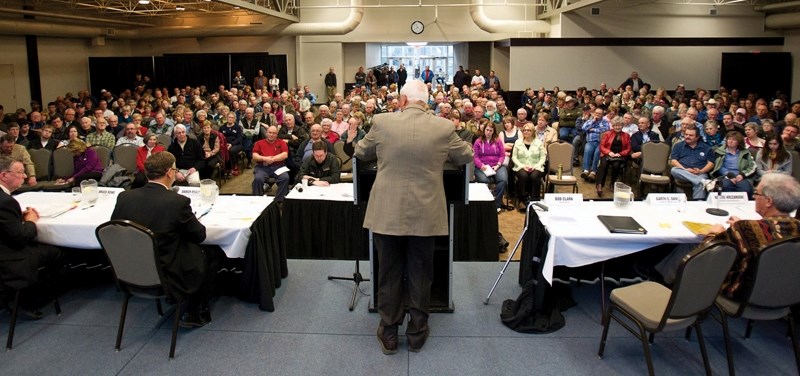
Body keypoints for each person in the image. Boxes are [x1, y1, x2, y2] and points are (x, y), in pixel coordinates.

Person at [354, 79, 472, 355]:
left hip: (386, 212)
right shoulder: (444, 127)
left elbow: (361, 152)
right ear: (427, 102)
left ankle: (390, 332)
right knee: (421, 273)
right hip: (426, 214)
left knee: (389, 273)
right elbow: (465, 156)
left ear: (403, 101)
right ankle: (417, 332)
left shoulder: (382, 122)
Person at [111, 152, 221, 328]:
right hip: (167, 271)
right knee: (210, 253)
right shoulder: (177, 202)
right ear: (170, 173)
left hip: (130, 269)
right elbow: (199, 235)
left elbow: (116, 229)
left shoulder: (125, 197)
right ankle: (195, 310)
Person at [653, 173, 800, 290]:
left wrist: (714, 233)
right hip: (784, 292)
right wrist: (739, 226)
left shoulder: (746, 228)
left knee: (692, 246)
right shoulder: (795, 226)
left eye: (757, 193)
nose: (754, 197)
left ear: (768, 201)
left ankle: (661, 281)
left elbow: (708, 251)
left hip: (741, 290)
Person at [0, 156, 64, 319]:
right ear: (4, 175)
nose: (25, 176)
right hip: (10, 258)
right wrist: (30, 221)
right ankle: (26, 299)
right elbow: (20, 237)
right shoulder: (6, 202)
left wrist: (17, 218)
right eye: (20, 172)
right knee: (56, 250)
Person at [669, 127, 715, 200]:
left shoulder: (706, 148)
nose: (687, 136)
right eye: (686, 134)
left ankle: (699, 201)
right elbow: (673, 161)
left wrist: (701, 171)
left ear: (697, 137)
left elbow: (711, 163)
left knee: (700, 182)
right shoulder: (678, 146)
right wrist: (686, 170)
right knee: (674, 170)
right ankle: (703, 182)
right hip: (683, 172)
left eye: (690, 135)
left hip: (700, 172)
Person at [473, 122, 508, 212]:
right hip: (482, 166)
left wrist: (498, 165)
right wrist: (481, 166)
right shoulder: (478, 141)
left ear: (493, 131)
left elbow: (502, 155)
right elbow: (475, 156)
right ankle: (486, 203)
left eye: (490, 130)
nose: (488, 132)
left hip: (497, 165)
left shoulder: (498, 141)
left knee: (503, 180)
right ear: (484, 130)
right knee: (484, 181)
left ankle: (496, 203)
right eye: (487, 130)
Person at [511, 123, 546, 210]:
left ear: (533, 132)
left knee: (535, 176)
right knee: (523, 176)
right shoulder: (518, 142)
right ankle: (522, 200)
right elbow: (514, 157)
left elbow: (543, 157)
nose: (526, 132)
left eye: (529, 130)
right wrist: (522, 166)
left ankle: (534, 201)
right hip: (521, 166)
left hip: (536, 166)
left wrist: (535, 166)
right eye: (524, 130)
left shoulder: (539, 143)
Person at [595, 117, 631, 196]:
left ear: (622, 126)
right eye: (615, 125)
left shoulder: (626, 135)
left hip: (619, 155)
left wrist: (621, 154)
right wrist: (609, 152)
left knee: (616, 165)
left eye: (619, 125)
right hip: (607, 154)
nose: (617, 127)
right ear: (613, 126)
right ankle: (599, 185)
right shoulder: (607, 134)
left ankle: (612, 183)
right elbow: (601, 146)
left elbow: (628, 149)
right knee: (603, 165)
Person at [251, 125, 289, 200]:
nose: (271, 135)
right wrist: (265, 159)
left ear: (277, 134)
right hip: (262, 167)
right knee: (258, 179)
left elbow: (285, 155)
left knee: (285, 178)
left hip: (279, 166)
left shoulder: (282, 143)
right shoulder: (259, 143)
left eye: (274, 133)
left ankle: (279, 201)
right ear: (266, 133)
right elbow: (255, 156)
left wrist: (272, 159)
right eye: (270, 132)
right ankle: (257, 199)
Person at [580, 108, 610, 183]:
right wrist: (593, 122)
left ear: (602, 115)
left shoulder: (605, 122)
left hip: (601, 143)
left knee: (597, 153)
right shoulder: (590, 121)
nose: (598, 115)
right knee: (587, 150)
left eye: (600, 113)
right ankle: (586, 171)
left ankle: (593, 172)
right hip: (590, 142)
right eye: (596, 113)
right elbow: (584, 128)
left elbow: (606, 130)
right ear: (594, 113)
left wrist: (593, 129)